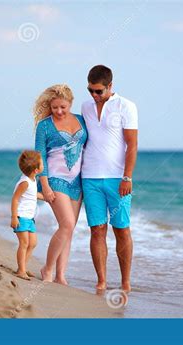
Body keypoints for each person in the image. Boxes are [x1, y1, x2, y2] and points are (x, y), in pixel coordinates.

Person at [81, 65, 138, 292]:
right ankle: (102, 281)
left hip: (117, 179)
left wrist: (128, 177)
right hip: (90, 177)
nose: (94, 96)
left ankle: (125, 282)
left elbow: (132, 145)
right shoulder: (85, 107)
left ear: (110, 86)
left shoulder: (126, 106)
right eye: (90, 91)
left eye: (98, 91)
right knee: (97, 229)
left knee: (121, 229)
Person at [34, 84, 88, 285]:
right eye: (55, 107)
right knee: (67, 224)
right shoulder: (45, 125)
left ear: (70, 103)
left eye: (63, 107)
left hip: (77, 181)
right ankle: (47, 269)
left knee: (69, 229)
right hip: (55, 180)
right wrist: (45, 185)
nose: (58, 111)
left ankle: (60, 275)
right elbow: (40, 157)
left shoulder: (81, 120)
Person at [10, 150, 44, 281]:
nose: (43, 165)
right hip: (21, 217)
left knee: (33, 243)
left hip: (30, 218)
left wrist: (46, 197)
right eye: (42, 163)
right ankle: (21, 271)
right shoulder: (24, 182)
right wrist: (14, 217)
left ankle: (22, 267)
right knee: (24, 243)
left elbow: (32, 195)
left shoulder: (32, 180)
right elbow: (15, 199)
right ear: (36, 169)